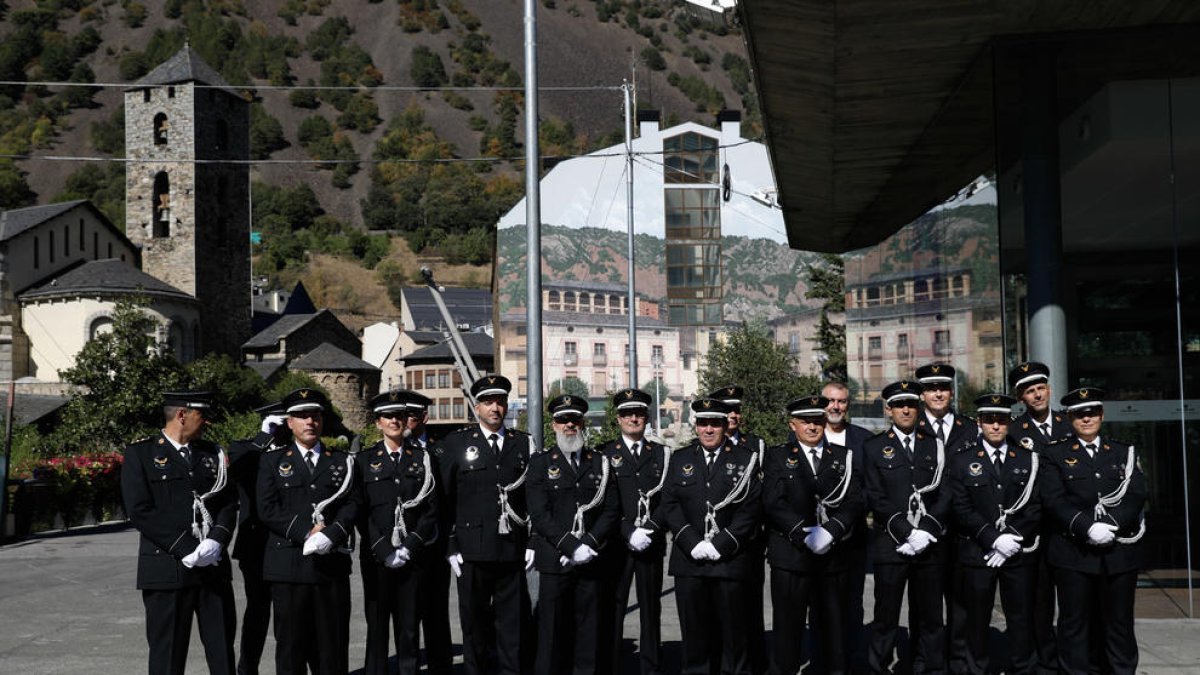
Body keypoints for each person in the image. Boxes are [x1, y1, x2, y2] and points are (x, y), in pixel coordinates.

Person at [121, 390, 237, 675]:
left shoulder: (213, 454)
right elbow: (140, 510)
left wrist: (217, 541)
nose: (207, 422)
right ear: (182, 415)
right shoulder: (142, 454)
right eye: (203, 415)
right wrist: (187, 548)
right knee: (167, 656)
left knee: (222, 651)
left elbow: (228, 503)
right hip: (167, 570)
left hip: (212, 567)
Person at [1040, 387, 1146, 675]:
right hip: (1073, 553)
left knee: (1119, 623)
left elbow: (1136, 494)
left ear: (1101, 414)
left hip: (1118, 553)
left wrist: (1111, 525)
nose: (1086, 419)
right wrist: (1087, 527)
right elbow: (1052, 499)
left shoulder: (1123, 452)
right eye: (1079, 414)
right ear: (1070, 419)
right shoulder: (1055, 454)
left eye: (1091, 413)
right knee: (1075, 623)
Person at [437, 375, 534, 675]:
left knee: (512, 627)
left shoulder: (523, 444)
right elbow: (444, 499)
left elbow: (533, 498)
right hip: (472, 551)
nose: (496, 408)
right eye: (489, 402)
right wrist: (450, 545)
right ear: (476, 407)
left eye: (501, 402)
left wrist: (531, 542)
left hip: (511, 550)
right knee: (474, 626)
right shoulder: (456, 444)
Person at [257, 387, 359, 675]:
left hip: (331, 566)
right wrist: (306, 532)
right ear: (289, 423)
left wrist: (332, 534)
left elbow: (353, 502)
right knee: (290, 647)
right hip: (288, 568)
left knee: (332, 647)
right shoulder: (272, 461)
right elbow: (267, 509)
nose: (309, 422)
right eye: (301, 416)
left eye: (314, 415)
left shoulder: (341, 461)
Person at [763, 395, 865, 675]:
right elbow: (772, 501)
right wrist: (802, 534)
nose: (812, 426)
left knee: (833, 630)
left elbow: (855, 500)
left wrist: (831, 531)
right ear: (792, 424)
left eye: (817, 420)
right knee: (787, 630)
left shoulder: (844, 457)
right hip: (790, 557)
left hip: (832, 557)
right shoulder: (777, 456)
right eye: (805, 421)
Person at [662, 397, 763, 675]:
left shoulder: (746, 459)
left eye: (715, 424)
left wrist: (721, 544)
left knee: (734, 639)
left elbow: (751, 508)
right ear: (696, 426)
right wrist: (691, 542)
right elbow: (669, 504)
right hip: (690, 562)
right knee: (695, 640)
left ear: (724, 425)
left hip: (730, 562)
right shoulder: (680, 458)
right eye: (703, 423)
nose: (708, 429)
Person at [527, 394, 620, 675]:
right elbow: (539, 513)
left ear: (583, 424)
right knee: (551, 631)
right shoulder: (541, 463)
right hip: (555, 560)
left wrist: (588, 544)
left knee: (588, 630)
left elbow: (611, 509)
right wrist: (569, 546)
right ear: (553, 425)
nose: (569, 425)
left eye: (574, 420)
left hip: (590, 559)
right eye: (562, 420)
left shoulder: (600, 463)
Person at [863, 380, 951, 675]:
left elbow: (946, 492)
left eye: (911, 404)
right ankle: (879, 667)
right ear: (888, 410)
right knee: (886, 616)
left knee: (929, 615)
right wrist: (906, 531)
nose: (906, 409)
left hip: (929, 543)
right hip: (892, 544)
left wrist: (925, 530)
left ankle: (928, 668)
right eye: (899, 404)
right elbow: (875, 495)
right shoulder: (874, 447)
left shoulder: (935, 445)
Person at [949, 394, 1040, 675]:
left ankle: (1023, 668)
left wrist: (1010, 539)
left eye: (1001, 420)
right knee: (976, 619)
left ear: (1009, 422)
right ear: (980, 423)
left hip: (1016, 552)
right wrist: (992, 539)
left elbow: (1036, 505)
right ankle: (978, 669)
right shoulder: (963, 460)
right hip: (979, 552)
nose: (996, 426)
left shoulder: (1028, 459)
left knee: (1021, 618)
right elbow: (960, 506)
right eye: (990, 420)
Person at [358, 390, 440, 675]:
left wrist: (409, 546)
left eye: (400, 416)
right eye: (388, 416)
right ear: (378, 422)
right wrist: (383, 549)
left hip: (412, 557)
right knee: (377, 628)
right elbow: (360, 511)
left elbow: (432, 508)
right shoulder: (364, 460)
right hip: (376, 557)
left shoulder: (423, 459)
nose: (395, 420)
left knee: (409, 629)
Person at [599, 388, 669, 675]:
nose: (634, 418)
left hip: (650, 542)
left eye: (639, 414)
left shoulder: (662, 454)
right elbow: (601, 501)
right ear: (618, 419)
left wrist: (650, 528)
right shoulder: (604, 454)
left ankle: (651, 667)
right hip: (617, 542)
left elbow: (669, 498)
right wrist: (628, 531)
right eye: (628, 414)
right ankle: (612, 665)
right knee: (613, 605)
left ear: (646, 418)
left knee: (651, 608)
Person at [1007, 361, 1069, 674]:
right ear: (1021, 398)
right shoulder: (1015, 432)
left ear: (1049, 388)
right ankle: (1042, 660)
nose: (1037, 395)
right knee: (1037, 600)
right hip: (1033, 532)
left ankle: (1072, 659)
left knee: (1073, 602)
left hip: (1068, 529)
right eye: (1029, 391)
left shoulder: (1070, 424)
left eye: (1040, 388)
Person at [915, 363, 976, 674]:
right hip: (925, 530)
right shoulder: (913, 428)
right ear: (922, 394)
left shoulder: (970, 427)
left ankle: (959, 660)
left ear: (952, 391)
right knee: (927, 605)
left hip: (963, 531)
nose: (938, 393)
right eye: (931, 388)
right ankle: (930, 663)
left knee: (961, 601)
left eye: (943, 387)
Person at [708, 384, 768, 675]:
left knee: (749, 606)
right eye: (726, 409)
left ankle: (753, 661)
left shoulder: (755, 445)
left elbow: (761, 492)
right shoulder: (705, 441)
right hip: (712, 539)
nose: (732, 414)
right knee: (715, 609)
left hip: (748, 540)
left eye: (736, 409)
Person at [228, 401, 290, 675]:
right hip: (256, 546)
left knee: (288, 616)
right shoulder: (244, 449)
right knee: (257, 612)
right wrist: (264, 437)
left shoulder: (294, 450)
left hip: (289, 543)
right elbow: (242, 475)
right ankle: (247, 669)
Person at [820, 381, 873, 669]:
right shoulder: (810, 435)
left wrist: (844, 520)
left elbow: (871, 487)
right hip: (815, 537)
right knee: (819, 605)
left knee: (852, 603)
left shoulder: (864, 440)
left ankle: (852, 660)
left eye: (841, 402)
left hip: (853, 536)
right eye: (830, 401)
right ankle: (823, 659)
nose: (835, 407)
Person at [405, 391, 453, 675]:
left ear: (424, 417)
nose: (404, 420)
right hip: (404, 545)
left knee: (436, 614)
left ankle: (441, 667)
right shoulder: (393, 448)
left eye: (410, 415)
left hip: (435, 544)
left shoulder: (442, 450)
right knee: (407, 617)